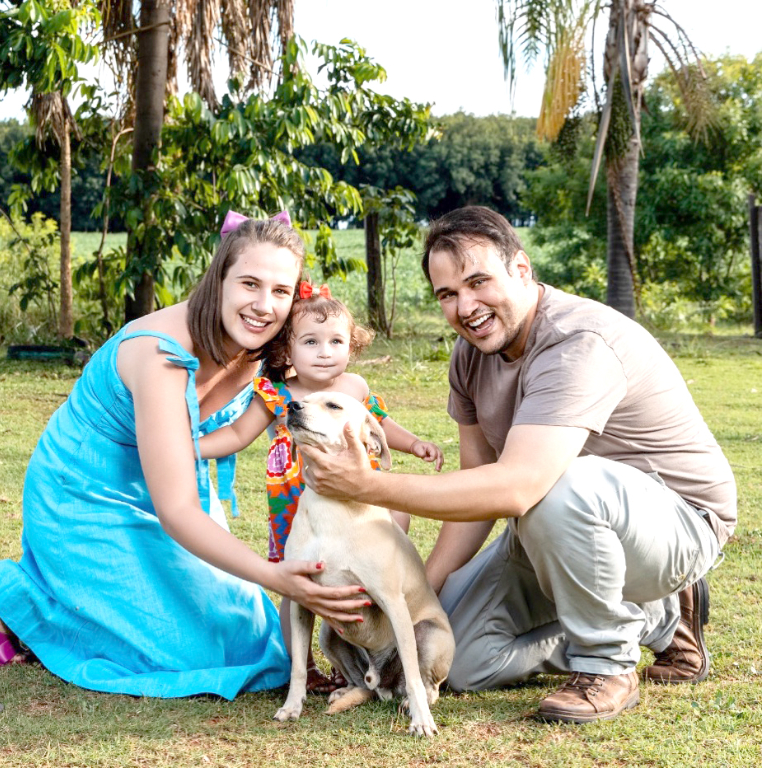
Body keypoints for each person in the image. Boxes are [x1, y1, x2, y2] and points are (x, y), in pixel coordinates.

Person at [298, 206, 737, 724]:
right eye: (448, 295)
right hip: (553, 531)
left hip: (676, 525)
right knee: (456, 657)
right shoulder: (471, 355)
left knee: (557, 485)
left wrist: (367, 485)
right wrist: (424, 591)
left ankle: (607, 664)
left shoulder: (577, 343)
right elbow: (476, 490)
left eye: (478, 282)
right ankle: (654, 621)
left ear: (522, 269)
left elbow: (516, 488)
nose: (466, 306)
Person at [0, 212, 369, 699]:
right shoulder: (160, 355)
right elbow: (177, 511)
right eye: (249, 284)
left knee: (245, 636)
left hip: (174, 480)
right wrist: (272, 575)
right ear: (218, 280)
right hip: (85, 493)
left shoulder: (265, 343)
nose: (262, 305)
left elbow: (335, 384)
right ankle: (16, 600)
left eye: (280, 291)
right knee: (182, 651)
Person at [199, 284, 444, 691]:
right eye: (311, 342)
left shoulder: (355, 389)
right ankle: (303, 665)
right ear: (286, 350)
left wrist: (414, 442)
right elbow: (238, 435)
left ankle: (361, 650)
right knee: (293, 585)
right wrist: (191, 446)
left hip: (355, 501)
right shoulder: (278, 394)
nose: (325, 351)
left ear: (351, 346)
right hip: (296, 505)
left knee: (369, 564)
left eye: (336, 341)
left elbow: (379, 426)